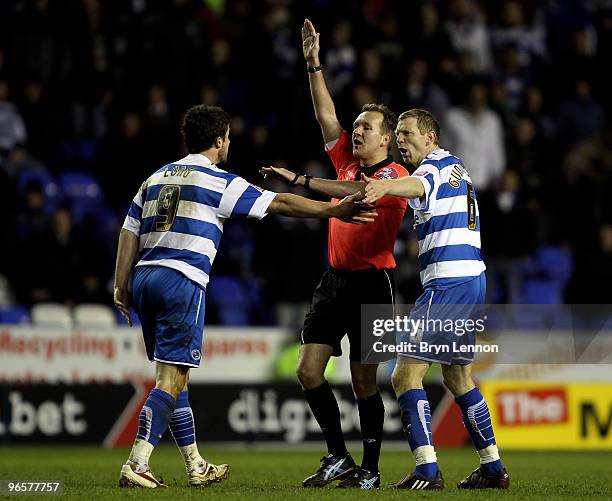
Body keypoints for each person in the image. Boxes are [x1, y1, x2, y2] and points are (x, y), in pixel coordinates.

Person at [114, 104, 375, 489]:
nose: (230, 143)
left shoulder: (156, 177)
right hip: (181, 280)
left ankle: (195, 465)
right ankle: (137, 461)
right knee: (170, 380)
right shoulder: (216, 179)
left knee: (174, 376)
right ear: (219, 140)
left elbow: (128, 231)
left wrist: (121, 285)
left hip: (143, 279)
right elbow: (281, 202)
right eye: (229, 137)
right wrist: (335, 210)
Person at [262, 19, 408, 490]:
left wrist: (303, 181)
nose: (357, 131)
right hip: (335, 281)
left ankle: (371, 468)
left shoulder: (396, 175)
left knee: (364, 382)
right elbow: (326, 117)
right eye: (358, 126)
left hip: (374, 284)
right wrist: (313, 64)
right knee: (308, 371)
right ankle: (337, 458)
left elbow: (356, 193)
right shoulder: (345, 157)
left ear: (386, 139)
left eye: (367, 127)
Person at [362, 108, 510, 490]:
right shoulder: (455, 168)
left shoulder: (436, 165)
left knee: (404, 374)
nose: (401, 140)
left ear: (430, 137)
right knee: (457, 376)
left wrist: (386, 187)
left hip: (447, 284)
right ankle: (492, 467)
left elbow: (417, 186)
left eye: (408, 134)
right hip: (472, 280)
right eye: (398, 136)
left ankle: (427, 469)